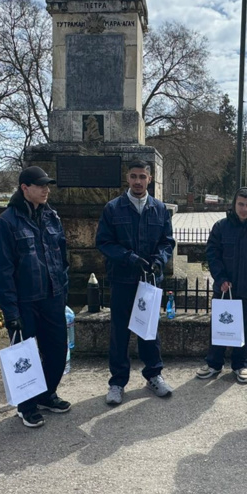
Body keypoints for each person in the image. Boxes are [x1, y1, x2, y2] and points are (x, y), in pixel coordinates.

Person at [0, 166, 72, 429]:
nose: (46, 189)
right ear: (24, 188)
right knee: (26, 358)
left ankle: (46, 394)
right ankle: (26, 406)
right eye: (40, 185)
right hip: (25, 302)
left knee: (58, 351)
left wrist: (62, 288)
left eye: (48, 185)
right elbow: (2, 272)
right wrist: (11, 313)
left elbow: (62, 256)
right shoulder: (5, 223)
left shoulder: (52, 217)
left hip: (52, 297)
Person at [96, 160, 176, 405]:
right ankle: (118, 382)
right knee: (119, 332)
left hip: (150, 281)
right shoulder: (113, 209)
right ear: (127, 179)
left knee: (149, 331)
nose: (138, 181)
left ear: (149, 179)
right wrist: (129, 258)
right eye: (134, 176)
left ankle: (154, 375)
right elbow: (104, 242)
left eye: (142, 176)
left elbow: (167, 241)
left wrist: (159, 261)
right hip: (122, 279)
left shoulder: (160, 209)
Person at [196, 187, 247, 384]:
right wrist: (220, 277)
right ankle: (214, 364)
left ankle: (240, 364)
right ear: (234, 205)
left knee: (246, 328)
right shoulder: (221, 227)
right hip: (226, 288)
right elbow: (212, 254)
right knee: (219, 326)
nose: (244, 209)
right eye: (241, 204)